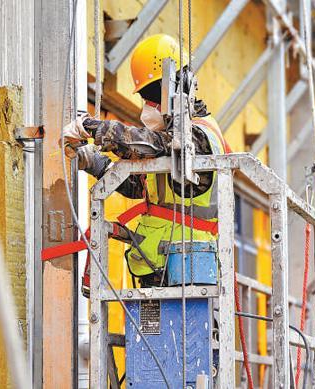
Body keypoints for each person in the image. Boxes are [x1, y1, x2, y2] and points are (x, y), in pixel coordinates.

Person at [63, 34, 230, 287]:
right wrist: (94, 162)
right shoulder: (174, 141)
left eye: (151, 96)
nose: (147, 106)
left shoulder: (197, 136)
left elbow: (150, 145)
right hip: (161, 267)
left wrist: (93, 127)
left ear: (177, 88)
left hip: (187, 269)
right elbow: (140, 185)